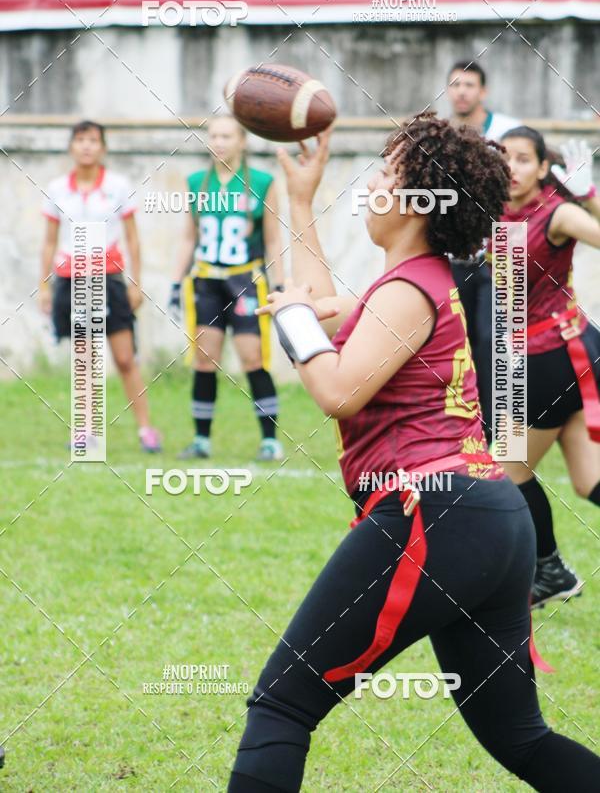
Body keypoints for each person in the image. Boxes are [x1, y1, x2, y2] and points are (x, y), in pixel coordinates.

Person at [227, 116, 600, 792]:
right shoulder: (419, 280)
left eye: (387, 173)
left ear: (419, 201)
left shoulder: (406, 292)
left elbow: (336, 388)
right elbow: (318, 307)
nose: (371, 184)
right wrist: (302, 201)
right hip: (490, 517)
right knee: (522, 739)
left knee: (282, 705)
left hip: (434, 515)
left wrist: (290, 324)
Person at [496, 127, 600, 607]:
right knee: (589, 481)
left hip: (551, 360)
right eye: (504, 157)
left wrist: (590, 196)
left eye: (523, 159)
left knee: (509, 467)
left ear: (542, 169)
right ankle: (552, 571)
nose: (511, 167)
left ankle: (551, 570)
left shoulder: (557, 213)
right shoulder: (492, 212)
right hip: (540, 358)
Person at [39, 120, 161, 453]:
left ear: (103, 147)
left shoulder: (119, 186)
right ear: (71, 147)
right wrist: (44, 286)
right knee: (84, 357)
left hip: (109, 277)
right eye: (80, 140)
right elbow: (49, 241)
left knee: (124, 358)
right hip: (71, 278)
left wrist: (136, 281)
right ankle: (86, 432)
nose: (87, 146)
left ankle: (146, 429)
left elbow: (134, 238)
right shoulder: (57, 189)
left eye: (93, 140)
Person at [170, 115, 285, 461]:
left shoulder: (262, 182)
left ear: (243, 141)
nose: (219, 142)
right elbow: (189, 237)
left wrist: (279, 285)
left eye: (226, 136)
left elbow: (273, 239)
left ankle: (269, 439)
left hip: (245, 280)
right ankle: (201, 440)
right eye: (213, 136)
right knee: (205, 360)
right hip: (207, 280)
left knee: (253, 357)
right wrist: (176, 282)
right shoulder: (196, 182)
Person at [446, 60, 521, 443]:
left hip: (502, 256)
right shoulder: (443, 138)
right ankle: (470, 431)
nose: (461, 91)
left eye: (469, 84)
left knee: (498, 344)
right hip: (457, 258)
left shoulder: (508, 132)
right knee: (461, 346)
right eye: (455, 85)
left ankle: (502, 434)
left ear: (483, 91)